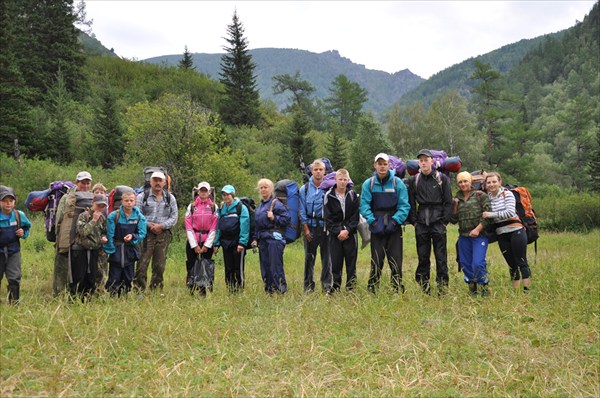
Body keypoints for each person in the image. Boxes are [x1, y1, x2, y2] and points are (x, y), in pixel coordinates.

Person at [359, 153, 410, 294]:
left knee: (395, 260)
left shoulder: (397, 183)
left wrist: (395, 221)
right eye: (379, 164)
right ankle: (372, 290)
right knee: (376, 259)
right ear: (375, 165)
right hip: (377, 225)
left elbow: (404, 205)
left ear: (389, 165)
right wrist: (372, 222)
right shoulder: (368, 183)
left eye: (385, 164)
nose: (382, 167)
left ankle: (397, 289)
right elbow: (364, 205)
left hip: (394, 225)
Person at [407, 149, 453, 295]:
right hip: (421, 222)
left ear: (432, 161)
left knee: (441, 257)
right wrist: (414, 221)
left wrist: (445, 221)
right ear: (418, 163)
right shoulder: (414, 180)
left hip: (438, 221)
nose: (423, 162)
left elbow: (448, 202)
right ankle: (424, 287)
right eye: (421, 160)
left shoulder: (442, 178)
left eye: (426, 160)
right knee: (423, 256)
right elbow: (411, 203)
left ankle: (442, 288)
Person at [482, 172, 532, 292]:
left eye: (494, 182)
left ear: (500, 182)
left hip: (516, 231)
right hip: (501, 233)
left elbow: (509, 212)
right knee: (511, 263)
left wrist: (491, 214)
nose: (491, 184)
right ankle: (515, 291)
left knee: (521, 260)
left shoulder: (507, 194)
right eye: (489, 182)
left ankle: (526, 290)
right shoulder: (487, 198)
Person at [134, 171, 178, 293]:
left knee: (159, 265)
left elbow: (174, 217)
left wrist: (162, 226)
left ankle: (156, 290)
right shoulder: (142, 196)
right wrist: (149, 225)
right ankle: (138, 290)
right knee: (142, 263)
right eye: (155, 180)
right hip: (145, 234)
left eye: (160, 180)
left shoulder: (170, 198)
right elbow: (137, 215)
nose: (158, 183)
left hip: (163, 235)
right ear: (150, 182)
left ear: (164, 182)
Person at [450, 172, 492, 296]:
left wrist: (477, 229)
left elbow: (489, 215)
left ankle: (484, 288)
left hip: (479, 236)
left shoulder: (480, 196)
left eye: (465, 181)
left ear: (471, 182)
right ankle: (472, 289)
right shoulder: (456, 198)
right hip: (463, 236)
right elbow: (453, 220)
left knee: (478, 263)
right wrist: (454, 206)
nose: (463, 184)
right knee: (466, 263)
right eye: (460, 182)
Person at [53, 171, 93, 296]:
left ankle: (79, 292)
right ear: (76, 182)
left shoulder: (92, 197)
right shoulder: (67, 197)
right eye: (82, 183)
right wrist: (58, 237)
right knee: (63, 264)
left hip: (83, 236)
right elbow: (59, 218)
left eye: (88, 183)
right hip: (66, 234)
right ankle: (59, 293)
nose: (85, 186)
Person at [104, 189, 147, 296]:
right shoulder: (113, 216)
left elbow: (142, 233)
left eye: (131, 200)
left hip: (130, 250)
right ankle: (113, 295)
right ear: (122, 201)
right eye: (126, 200)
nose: (129, 203)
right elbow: (110, 234)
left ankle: (125, 295)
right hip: (117, 249)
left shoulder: (139, 217)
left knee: (129, 275)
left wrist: (132, 237)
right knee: (114, 275)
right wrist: (111, 250)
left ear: (135, 201)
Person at [324, 169, 360, 293]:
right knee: (336, 262)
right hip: (335, 235)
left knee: (351, 262)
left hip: (350, 233)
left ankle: (351, 287)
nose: (343, 182)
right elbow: (328, 219)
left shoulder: (353, 195)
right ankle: (336, 287)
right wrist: (338, 231)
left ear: (348, 180)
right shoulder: (329, 196)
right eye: (340, 179)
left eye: (345, 180)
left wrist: (348, 230)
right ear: (335, 180)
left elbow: (356, 217)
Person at [252, 179, 290, 295]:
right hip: (263, 239)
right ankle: (269, 291)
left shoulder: (276, 203)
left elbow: (286, 219)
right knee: (265, 266)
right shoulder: (260, 206)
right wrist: (255, 239)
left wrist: (274, 218)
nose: (263, 189)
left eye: (266, 187)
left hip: (274, 239)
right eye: (261, 187)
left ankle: (280, 291)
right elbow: (257, 224)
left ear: (271, 189)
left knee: (275, 266)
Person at [299, 159, 331, 293]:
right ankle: (308, 287)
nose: (318, 172)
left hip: (325, 228)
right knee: (309, 258)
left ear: (325, 171)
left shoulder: (330, 187)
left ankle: (327, 287)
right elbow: (301, 210)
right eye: (316, 170)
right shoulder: (305, 189)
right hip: (310, 228)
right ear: (311, 171)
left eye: (321, 170)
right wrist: (305, 229)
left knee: (327, 259)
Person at [69, 194, 109, 301]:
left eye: (103, 206)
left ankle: (88, 299)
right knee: (79, 276)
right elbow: (82, 232)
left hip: (94, 250)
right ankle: (73, 299)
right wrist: (93, 220)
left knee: (91, 277)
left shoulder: (102, 218)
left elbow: (104, 232)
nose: (100, 208)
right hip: (81, 250)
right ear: (93, 204)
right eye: (98, 205)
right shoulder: (84, 216)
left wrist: (103, 238)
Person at [214, 185, 249, 293]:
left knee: (238, 267)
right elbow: (219, 227)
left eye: (228, 194)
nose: (226, 197)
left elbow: (245, 225)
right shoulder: (223, 208)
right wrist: (216, 243)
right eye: (224, 195)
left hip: (237, 242)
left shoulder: (240, 207)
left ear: (232, 195)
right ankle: (230, 290)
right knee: (228, 268)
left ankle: (239, 289)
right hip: (225, 243)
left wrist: (242, 243)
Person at [184, 182, 218, 296]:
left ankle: (203, 290)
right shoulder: (192, 207)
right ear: (198, 192)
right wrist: (194, 245)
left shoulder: (214, 207)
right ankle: (191, 288)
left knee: (205, 265)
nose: (203, 193)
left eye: (205, 191)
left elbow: (214, 226)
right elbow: (188, 225)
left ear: (209, 192)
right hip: (193, 239)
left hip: (207, 239)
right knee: (192, 264)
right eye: (201, 191)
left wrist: (206, 245)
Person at [0, 186, 32, 304]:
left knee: (14, 277)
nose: (8, 203)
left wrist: (23, 232)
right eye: (5, 201)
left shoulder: (19, 215)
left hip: (14, 251)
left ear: (14, 202)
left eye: (10, 201)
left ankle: (14, 303)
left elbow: (27, 227)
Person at [92, 183, 109, 292]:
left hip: (102, 244)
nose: (99, 194)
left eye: (102, 192)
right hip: (90, 243)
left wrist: (105, 237)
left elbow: (108, 229)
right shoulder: (87, 212)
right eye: (96, 192)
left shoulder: (107, 211)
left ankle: (101, 288)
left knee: (102, 267)